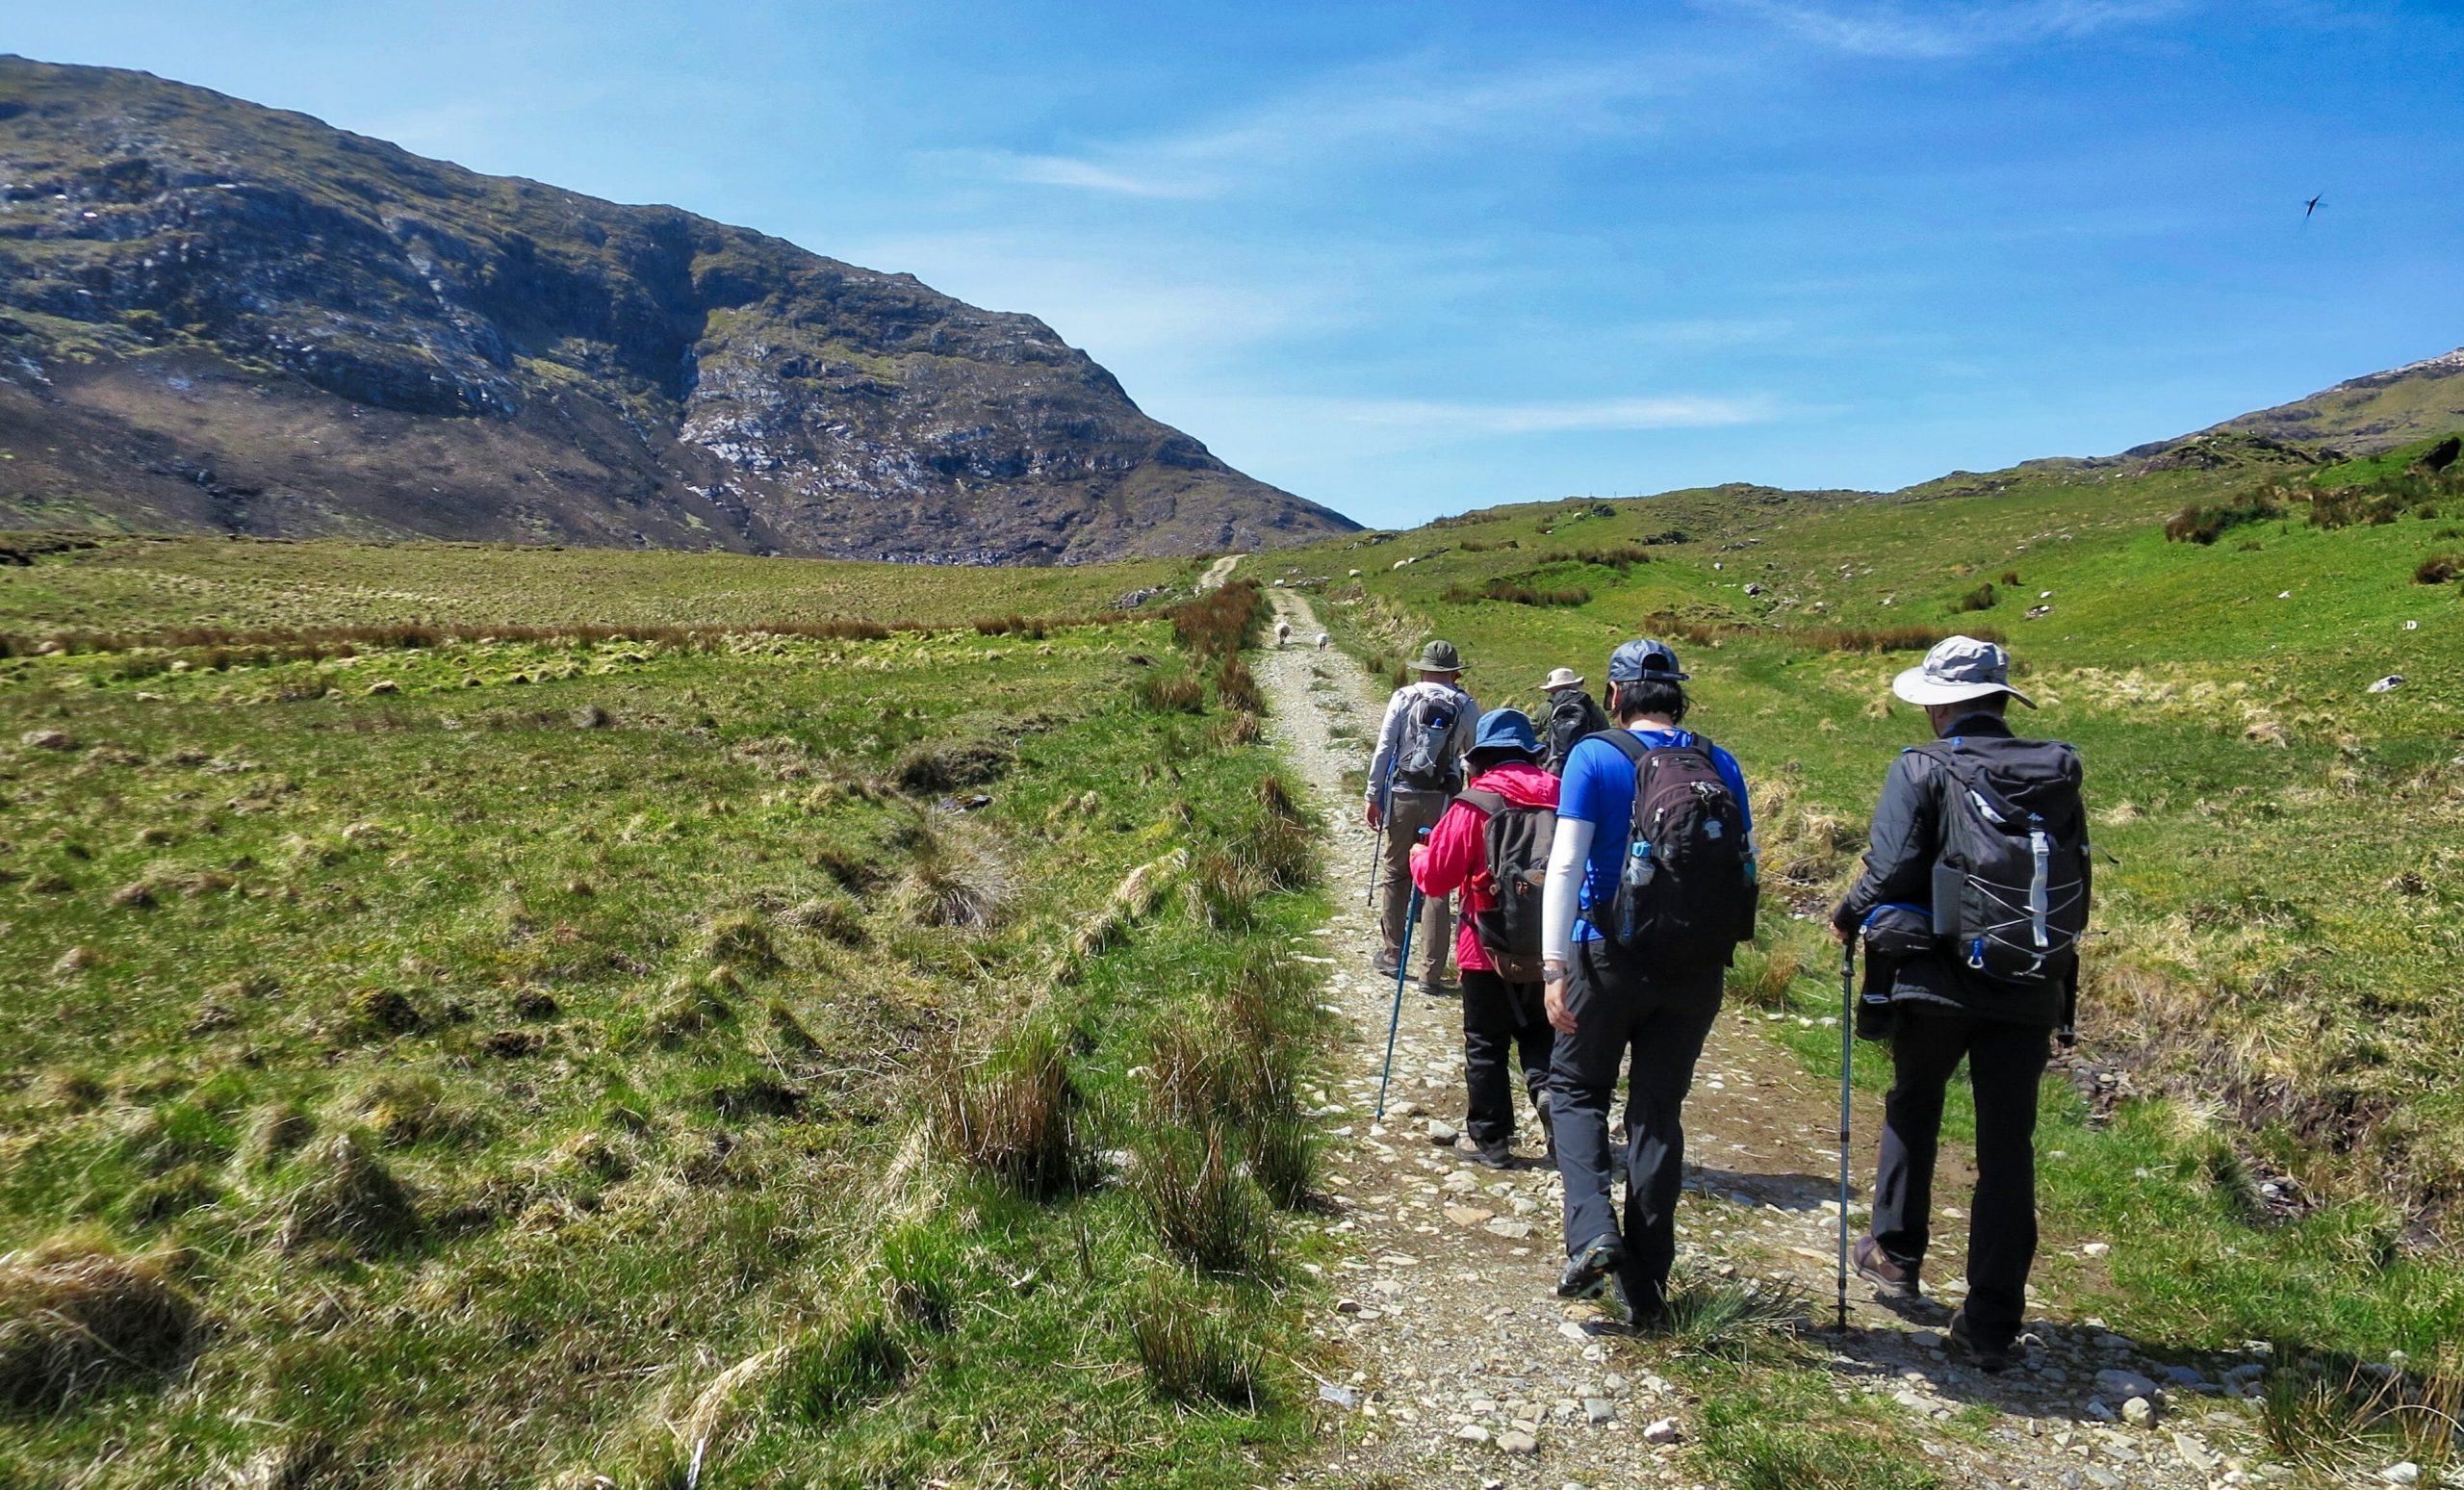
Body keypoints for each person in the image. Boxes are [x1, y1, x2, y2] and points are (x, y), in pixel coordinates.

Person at [1832, 635, 2089, 1374]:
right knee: (2009, 1146)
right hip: (2030, 978)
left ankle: (1895, 1253)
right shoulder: (2056, 772)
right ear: (2001, 700)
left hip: (1938, 978)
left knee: (1915, 1102)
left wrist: (1848, 914)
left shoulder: (1922, 765)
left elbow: (1892, 865)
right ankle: (1992, 1320)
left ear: (1939, 705)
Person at [1539, 639, 1756, 1322]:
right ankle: (1649, 1290)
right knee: (1658, 1113)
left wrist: (1552, 965)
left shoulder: (1594, 755)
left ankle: (1593, 1235)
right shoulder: (1720, 761)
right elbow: (1743, 861)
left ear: (1613, 694)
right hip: (1695, 968)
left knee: (1576, 1090)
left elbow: (1566, 864)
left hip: (1605, 954)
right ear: (1677, 695)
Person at [1410, 708, 1559, 1169]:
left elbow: (1437, 878)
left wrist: (1418, 856)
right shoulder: (1564, 795)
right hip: (1554, 948)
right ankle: (1552, 1100)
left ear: (1480, 758)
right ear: (1530, 754)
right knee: (1542, 1035)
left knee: (1485, 1043)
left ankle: (1491, 1140)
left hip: (1486, 945)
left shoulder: (1473, 804)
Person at [1366, 640, 1477, 992]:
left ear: (1423, 669)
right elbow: (1473, 757)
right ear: (1454, 672)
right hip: (1443, 799)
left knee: (1396, 874)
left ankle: (1392, 955)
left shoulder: (1403, 697)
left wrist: (1373, 795)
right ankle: (1431, 973)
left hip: (1402, 793)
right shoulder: (1465, 704)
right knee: (1438, 882)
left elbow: (1385, 749)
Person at [1538, 666, 1612, 777]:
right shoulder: (1591, 706)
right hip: (1591, 763)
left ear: (1552, 690)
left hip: (1558, 767)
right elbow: (1605, 731)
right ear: (1575, 686)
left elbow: (1529, 730)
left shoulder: (1546, 708)